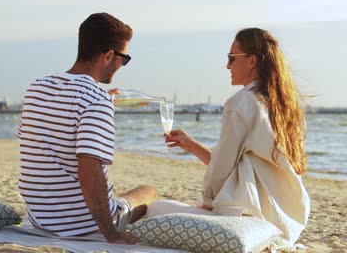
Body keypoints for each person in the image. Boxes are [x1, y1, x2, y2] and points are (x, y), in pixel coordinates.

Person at [156, 28, 310, 248]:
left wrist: (208, 203)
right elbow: (233, 165)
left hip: (246, 218)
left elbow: (222, 170)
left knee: (154, 209)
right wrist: (192, 146)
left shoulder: (241, 102)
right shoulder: (286, 108)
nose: (227, 66)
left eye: (231, 58)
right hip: (283, 223)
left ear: (252, 61)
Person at [16, 13, 157, 244]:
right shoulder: (95, 99)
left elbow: (38, 136)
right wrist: (111, 234)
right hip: (83, 226)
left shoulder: (35, 89)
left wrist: (101, 102)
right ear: (109, 55)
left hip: (41, 219)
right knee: (147, 191)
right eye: (124, 58)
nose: (122, 65)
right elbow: (89, 172)